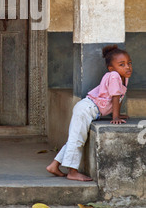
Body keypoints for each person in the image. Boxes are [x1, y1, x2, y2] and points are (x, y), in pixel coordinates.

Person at [46, 45, 133, 181]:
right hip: (86, 109)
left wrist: (118, 114)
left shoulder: (124, 77)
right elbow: (115, 96)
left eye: (129, 63)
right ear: (111, 69)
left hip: (90, 110)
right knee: (78, 139)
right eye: (122, 64)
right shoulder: (114, 76)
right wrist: (115, 117)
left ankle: (54, 165)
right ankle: (72, 172)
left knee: (74, 138)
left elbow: (119, 97)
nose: (127, 67)